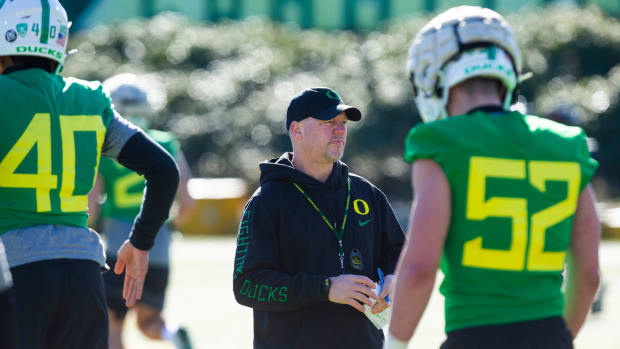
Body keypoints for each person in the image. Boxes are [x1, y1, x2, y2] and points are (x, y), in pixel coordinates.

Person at [385, 6, 600, 349]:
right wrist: (559, 339)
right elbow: (588, 275)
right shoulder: (567, 143)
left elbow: (420, 268)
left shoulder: (441, 143)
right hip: (549, 336)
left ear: (432, 75)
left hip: (475, 336)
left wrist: (394, 345)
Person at [0, 1, 180, 348]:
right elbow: (163, 169)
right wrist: (141, 242)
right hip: (83, 275)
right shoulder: (88, 99)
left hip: (16, 272)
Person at [232, 87, 406, 348]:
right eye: (328, 122)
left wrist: (395, 279)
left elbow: (401, 256)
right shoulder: (266, 202)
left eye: (343, 123)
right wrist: (325, 288)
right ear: (296, 130)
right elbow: (247, 285)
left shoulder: (367, 194)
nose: (339, 130)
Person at [88, 73, 195, 349]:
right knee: (149, 323)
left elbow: (92, 202)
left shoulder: (105, 147)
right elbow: (187, 198)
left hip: (118, 244)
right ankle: (173, 335)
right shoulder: (165, 141)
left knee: (113, 323)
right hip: (157, 243)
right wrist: (171, 226)